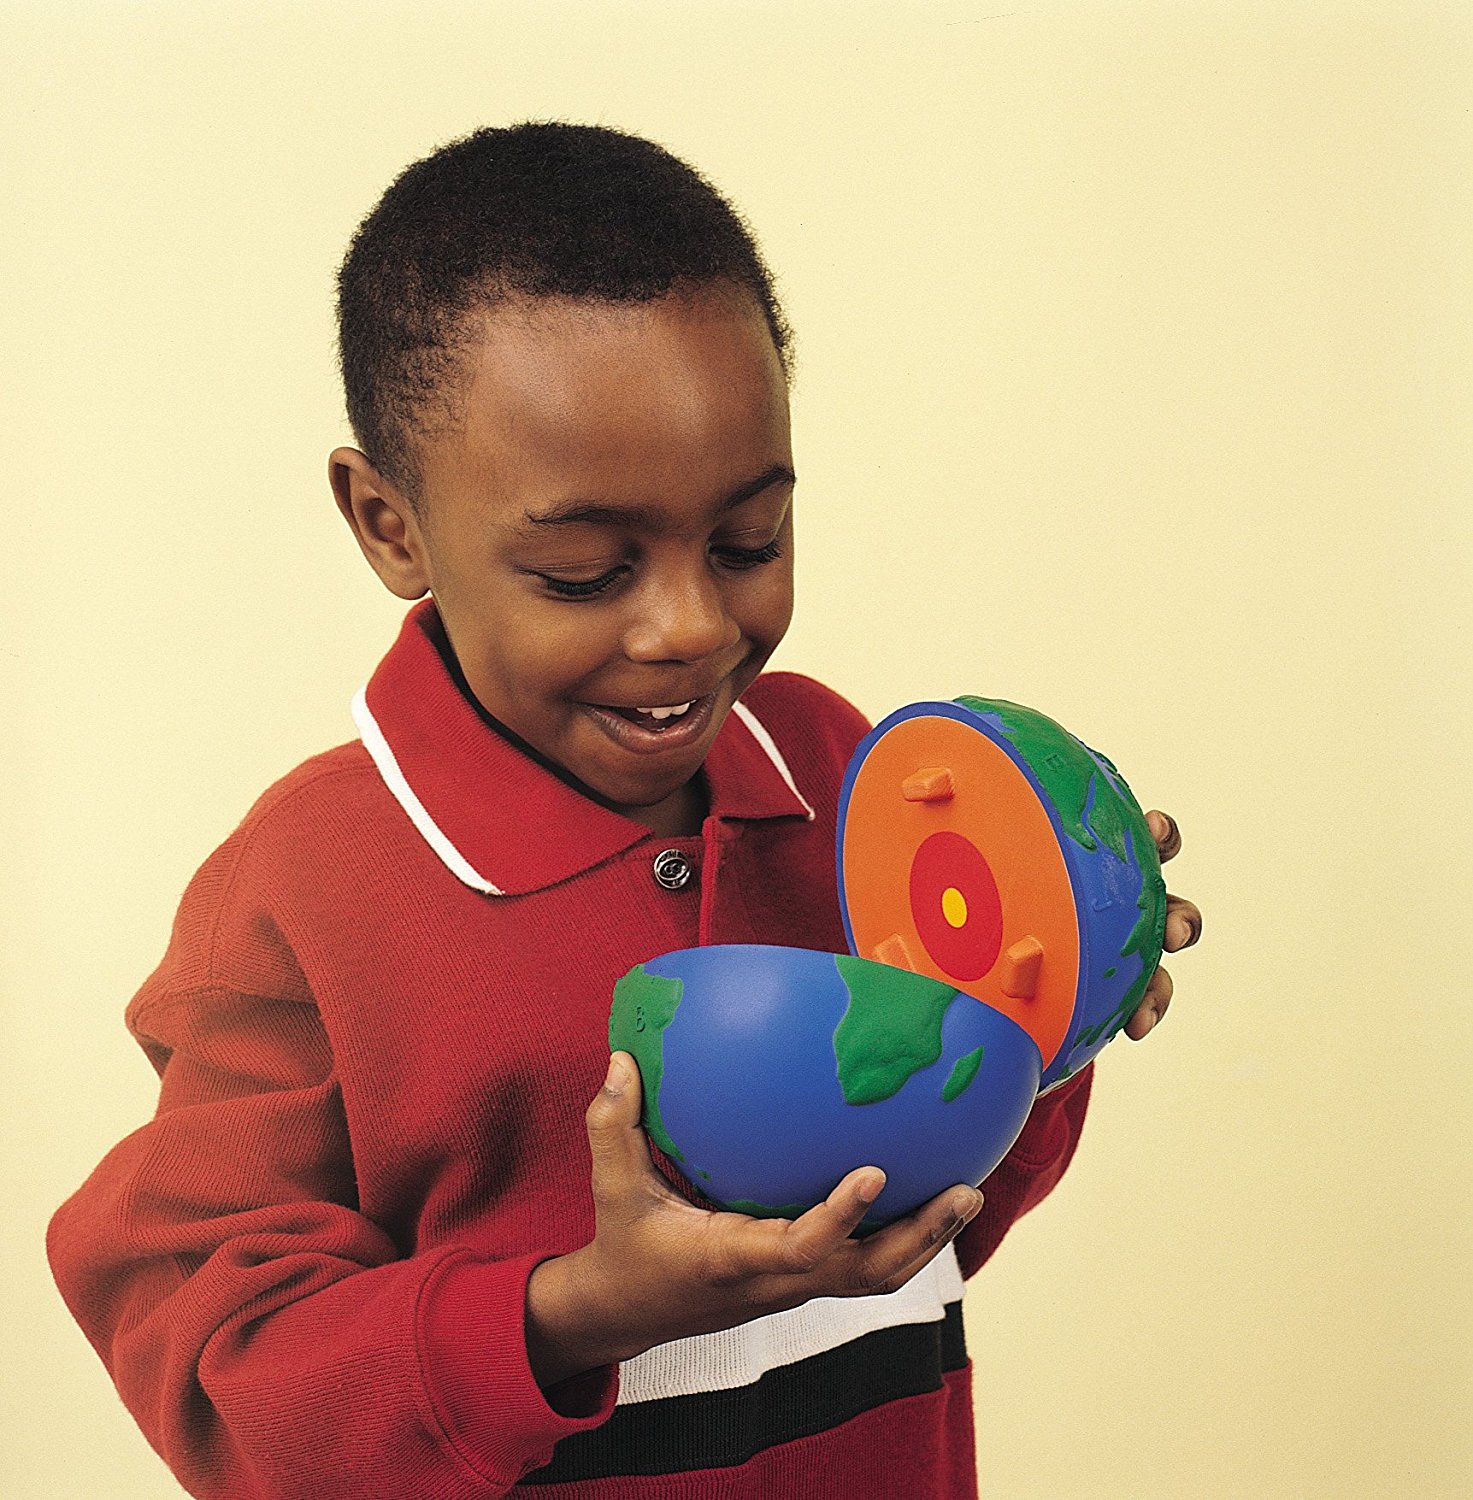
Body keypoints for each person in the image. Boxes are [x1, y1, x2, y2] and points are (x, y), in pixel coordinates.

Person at [47, 122, 1201, 1499]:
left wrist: (1049, 1012)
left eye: (747, 542)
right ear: (390, 525)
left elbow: (928, 1232)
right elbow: (217, 1370)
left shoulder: (839, 780)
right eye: (587, 572)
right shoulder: (306, 887)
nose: (690, 627)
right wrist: (575, 1313)